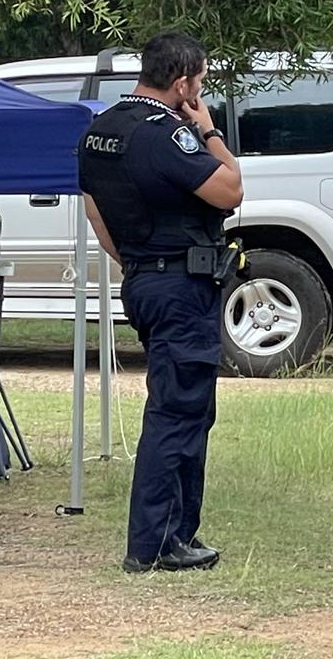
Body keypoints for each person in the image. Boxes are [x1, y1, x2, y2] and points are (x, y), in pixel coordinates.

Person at [77, 31, 244, 574]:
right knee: (178, 413)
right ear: (183, 83)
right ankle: (157, 543)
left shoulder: (100, 129)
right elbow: (229, 190)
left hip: (145, 282)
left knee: (177, 405)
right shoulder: (166, 132)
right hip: (181, 288)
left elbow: (95, 211)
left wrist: (136, 264)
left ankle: (169, 535)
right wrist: (209, 128)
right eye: (200, 82)